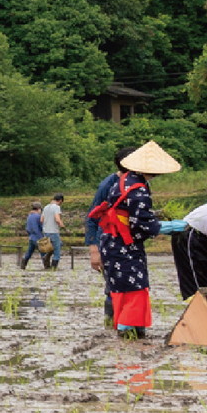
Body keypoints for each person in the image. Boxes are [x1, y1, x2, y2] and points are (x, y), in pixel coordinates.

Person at [86, 141, 180, 339]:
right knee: (134, 288)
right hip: (122, 245)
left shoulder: (125, 180)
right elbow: (141, 224)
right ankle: (128, 333)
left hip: (113, 243)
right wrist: (166, 227)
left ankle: (125, 331)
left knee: (120, 288)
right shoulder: (137, 189)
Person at [21, 196, 63, 271]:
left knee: (29, 252)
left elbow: (28, 228)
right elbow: (40, 225)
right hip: (38, 237)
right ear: (39, 209)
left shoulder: (29, 216)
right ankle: (47, 266)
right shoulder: (37, 216)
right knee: (44, 252)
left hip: (31, 237)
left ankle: (23, 265)